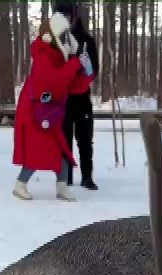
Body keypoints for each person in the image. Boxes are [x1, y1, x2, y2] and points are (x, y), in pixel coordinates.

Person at [13, 13, 95, 201]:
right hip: (35, 113)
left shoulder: (58, 57)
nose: (66, 41)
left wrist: (86, 73)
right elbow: (55, 81)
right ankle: (20, 184)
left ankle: (61, 186)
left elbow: (72, 86)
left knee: (60, 149)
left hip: (49, 113)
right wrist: (76, 63)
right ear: (51, 37)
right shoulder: (43, 55)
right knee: (37, 151)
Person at [56, 2, 99, 191]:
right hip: (63, 100)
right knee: (64, 140)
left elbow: (94, 70)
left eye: (67, 15)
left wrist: (85, 68)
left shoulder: (87, 40)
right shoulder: (55, 41)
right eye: (61, 15)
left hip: (82, 98)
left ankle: (87, 177)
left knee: (84, 139)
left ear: (74, 16)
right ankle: (65, 177)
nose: (65, 18)